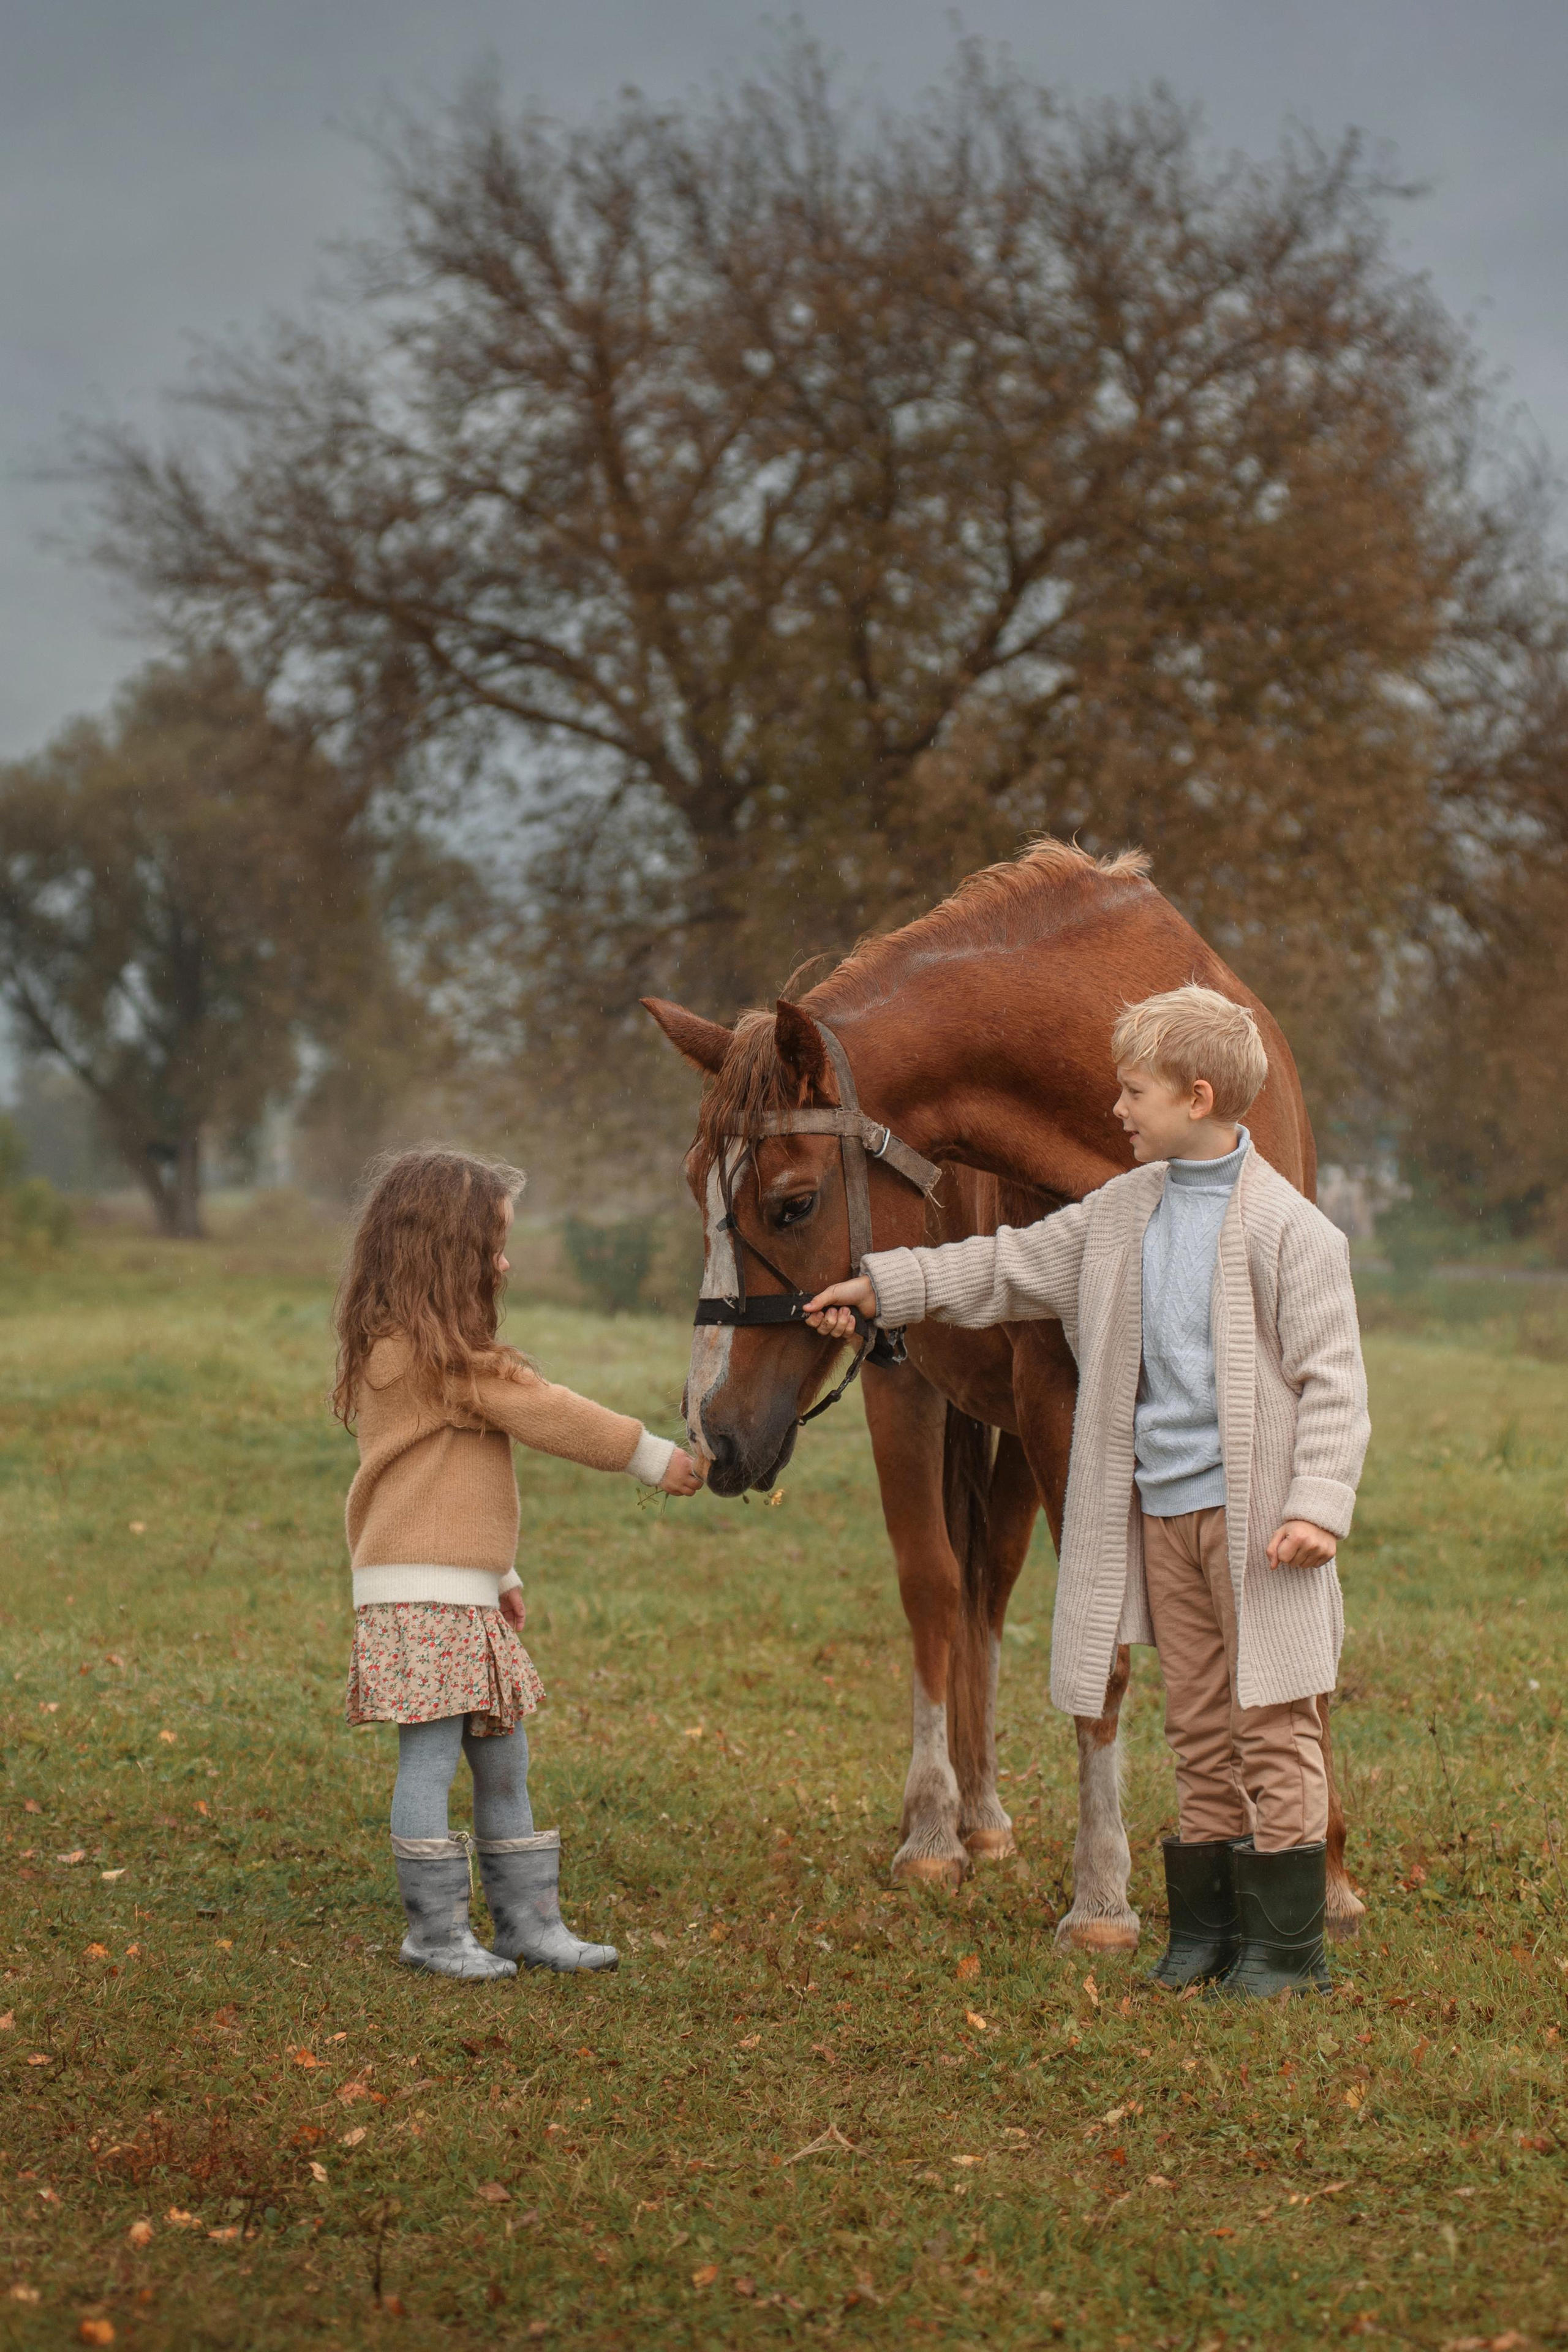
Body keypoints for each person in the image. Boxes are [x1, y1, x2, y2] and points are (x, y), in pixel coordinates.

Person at [805, 985, 1369, 1997]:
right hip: (1169, 1514)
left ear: (1197, 1099)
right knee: (1198, 1727)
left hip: (1264, 1531)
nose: (1115, 1109)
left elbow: (1336, 1383)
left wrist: (1317, 1505)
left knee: (1275, 1726)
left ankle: (1286, 1951)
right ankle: (1206, 1932)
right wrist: (887, 1288)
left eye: (1134, 1092)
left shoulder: (1296, 1234)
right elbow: (1005, 1266)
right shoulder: (1121, 1213)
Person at [333, 1147, 703, 1981]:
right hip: (422, 1600)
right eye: (493, 1246)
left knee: (505, 1762)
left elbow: (445, 1489)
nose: (504, 1263)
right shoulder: (430, 1360)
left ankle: (528, 1925)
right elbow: (550, 1414)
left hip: (452, 1593)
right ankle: (434, 1935)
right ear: (447, 1254)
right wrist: (656, 1458)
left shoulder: (427, 1356)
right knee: (429, 1761)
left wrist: (497, 1576)